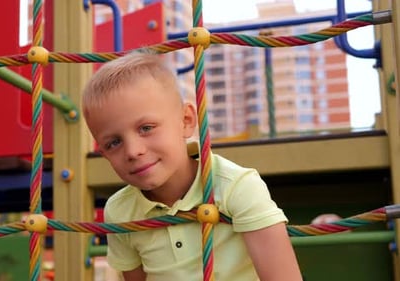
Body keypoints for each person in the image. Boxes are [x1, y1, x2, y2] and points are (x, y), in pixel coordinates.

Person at [82, 51, 302, 281]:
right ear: (105, 154)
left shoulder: (235, 187)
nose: (133, 151)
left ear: (186, 121)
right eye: (114, 142)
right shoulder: (120, 211)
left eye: (146, 128)